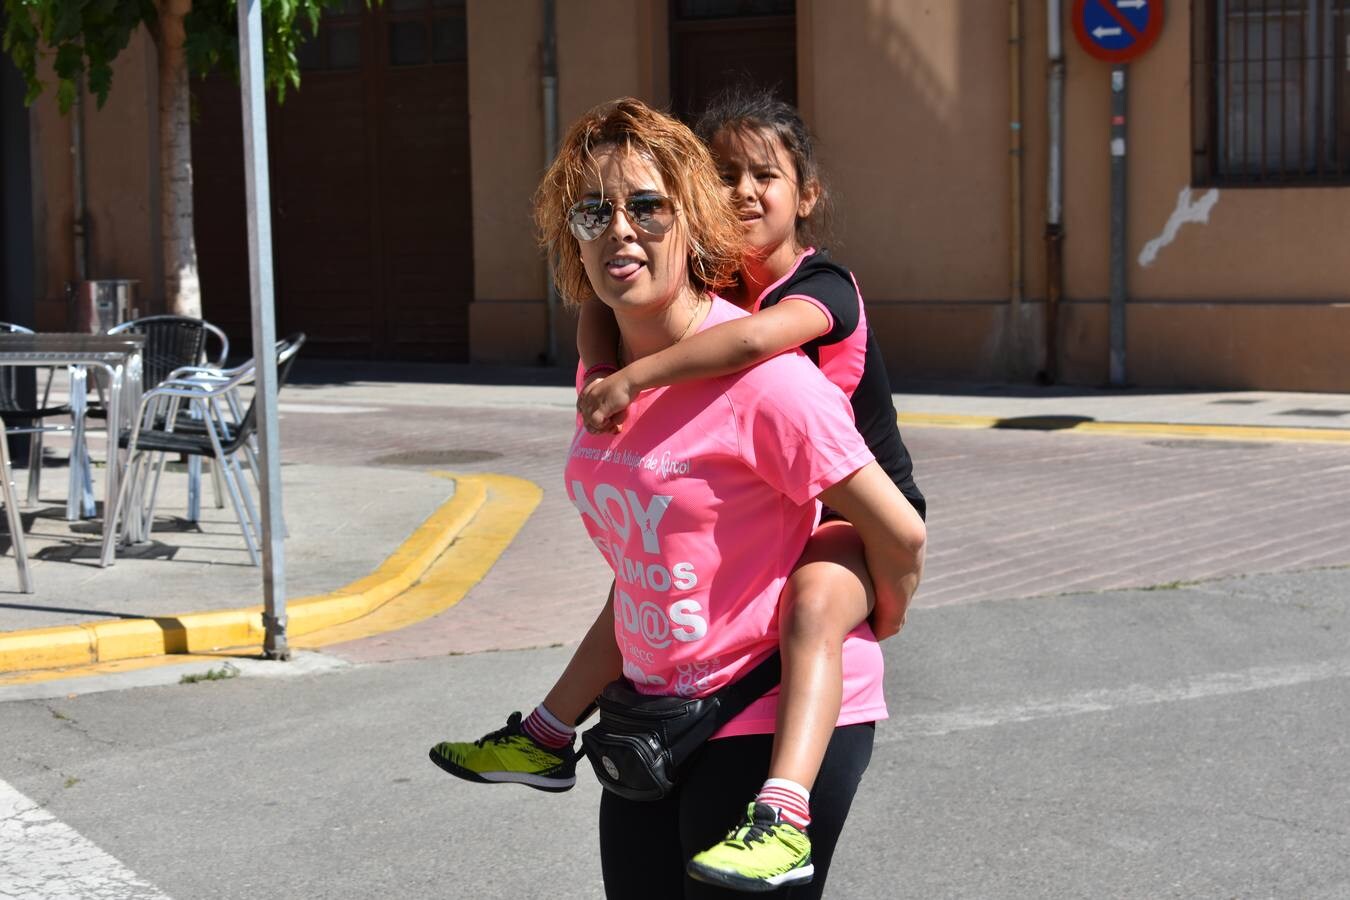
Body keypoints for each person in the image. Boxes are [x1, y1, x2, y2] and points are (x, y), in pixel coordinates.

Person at [429, 98, 926, 897]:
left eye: (648, 206)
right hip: (651, 711)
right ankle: (545, 734)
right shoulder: (603, 374)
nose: (621, 228)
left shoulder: (769, 379)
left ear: (693, 222)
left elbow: (900, 530)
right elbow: (652, 561)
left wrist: (886, 605)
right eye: (593, 211)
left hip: (764, 713)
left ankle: (784, 812)